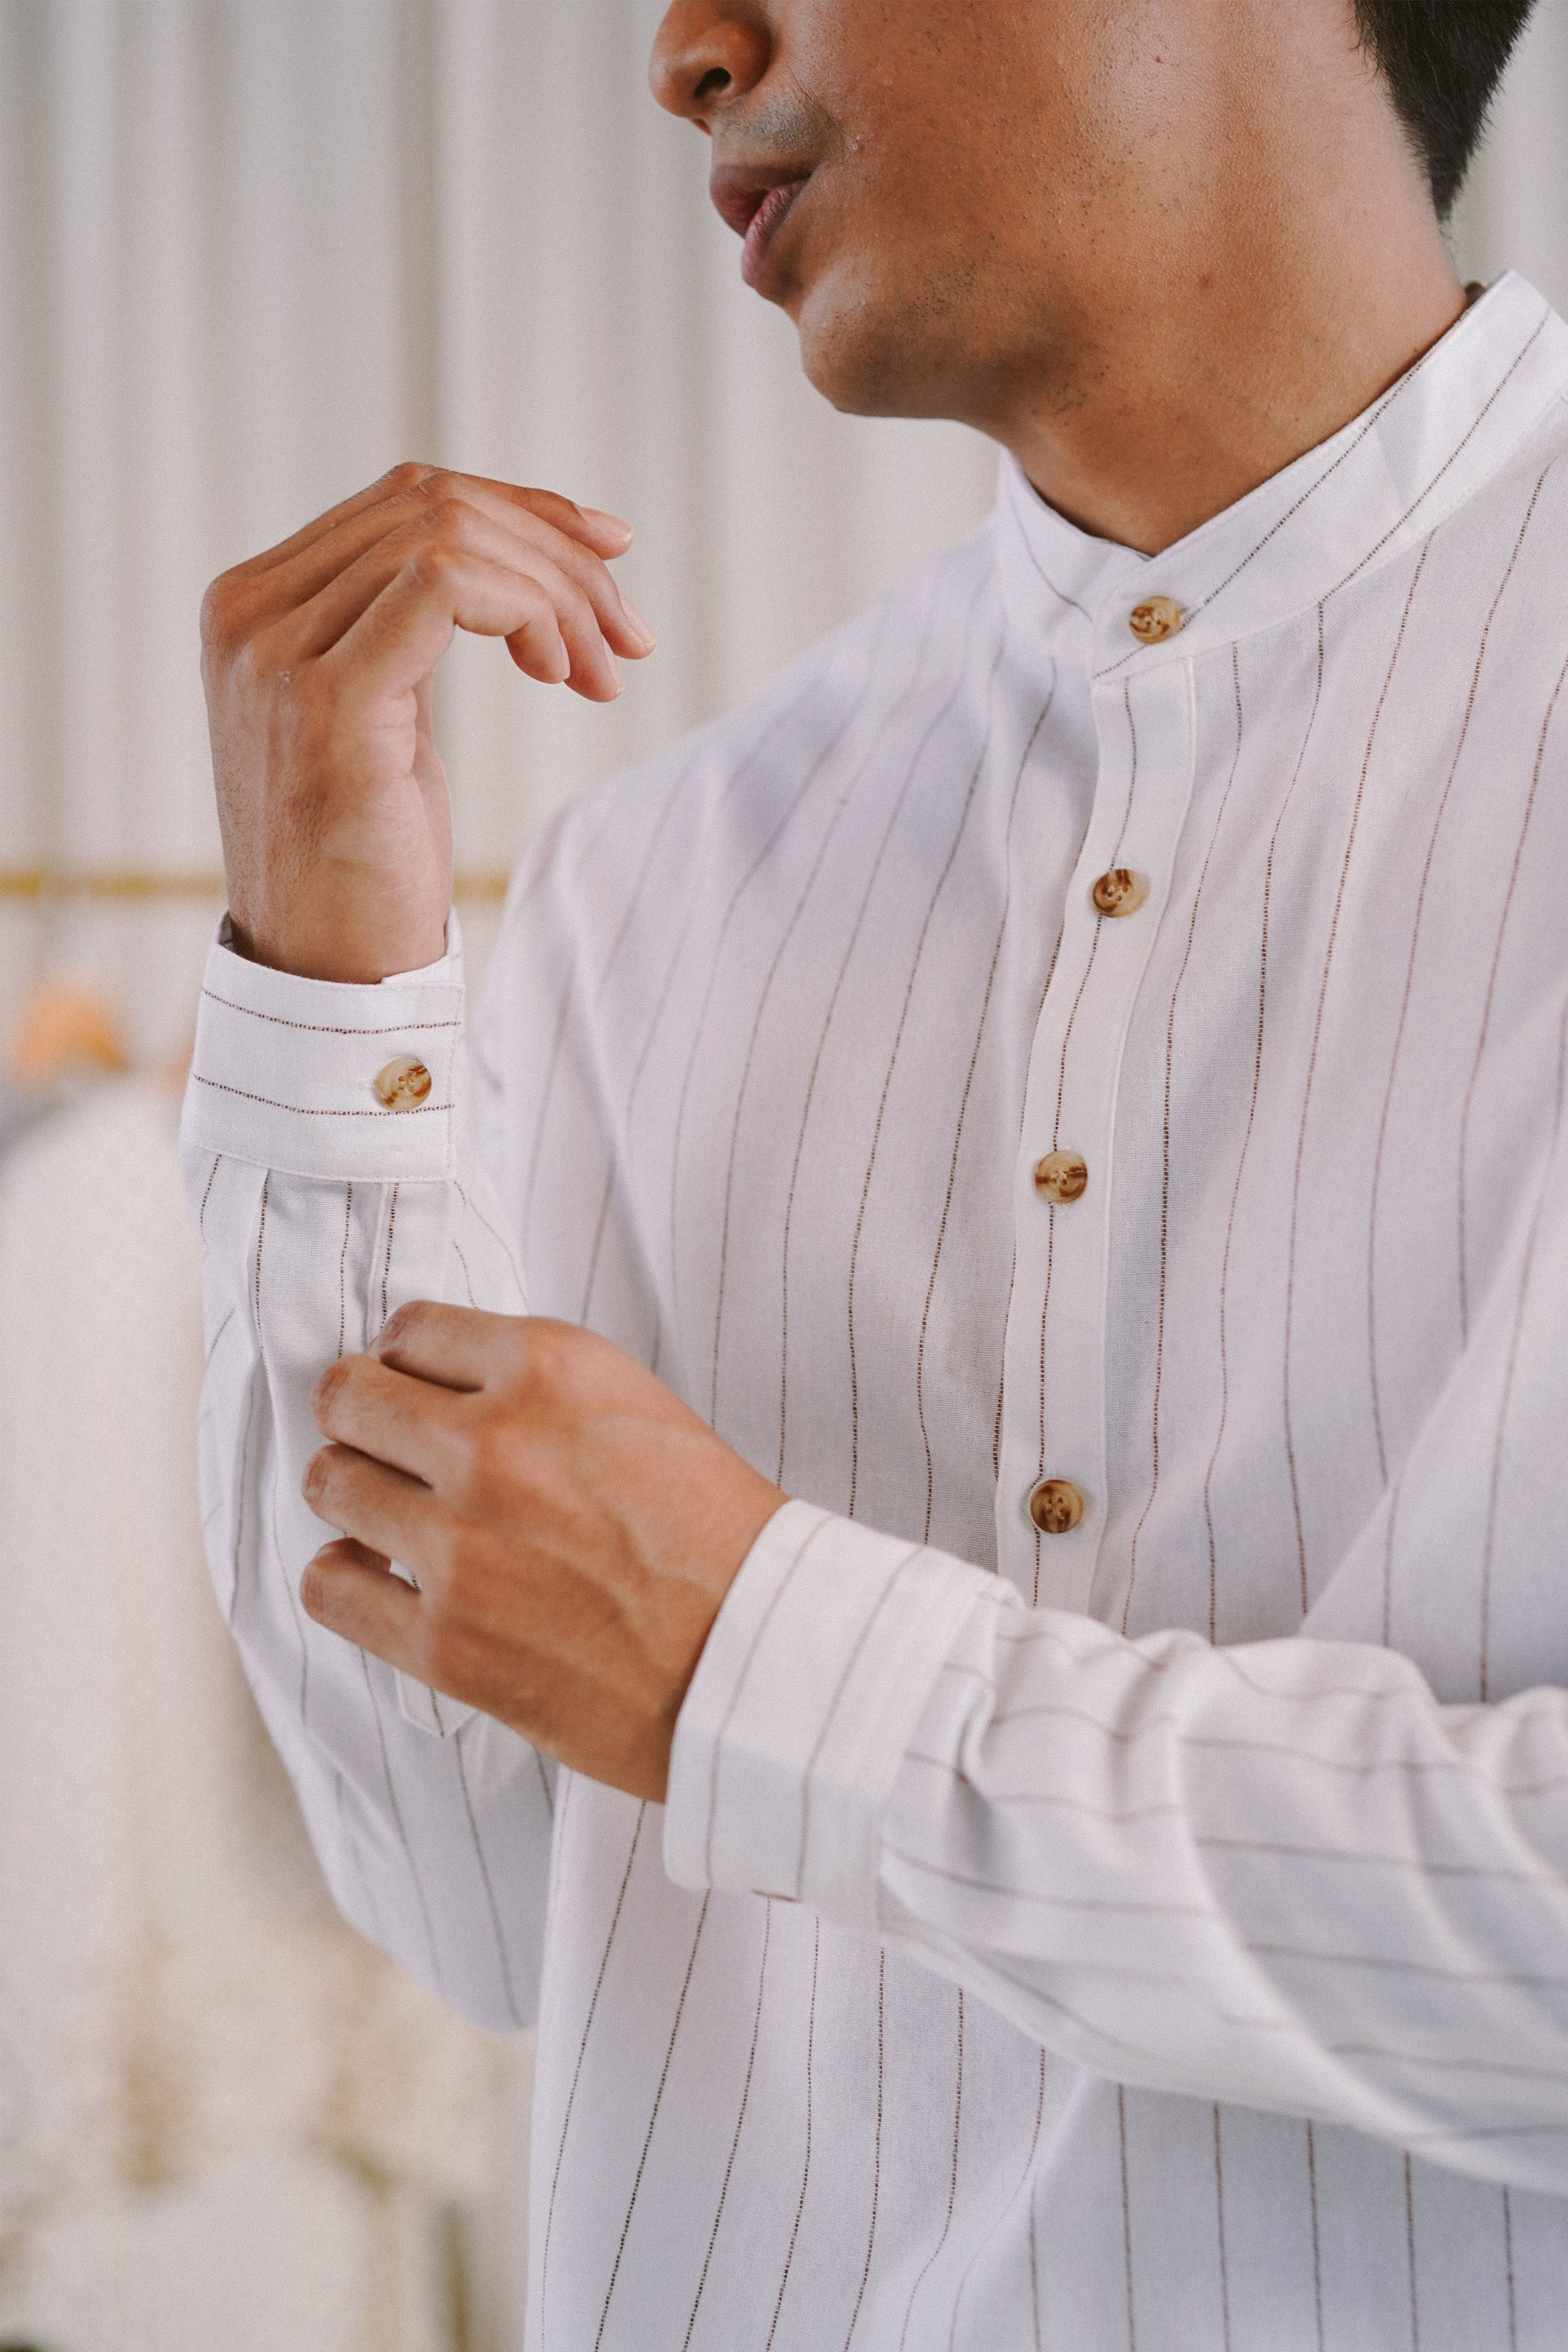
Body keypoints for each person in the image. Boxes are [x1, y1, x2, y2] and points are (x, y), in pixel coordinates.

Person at [182, 0, 1568, 2341]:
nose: (684, 52)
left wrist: (771, 1662)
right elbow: (477, 1892)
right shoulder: (656, 879)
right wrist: (327, 985)